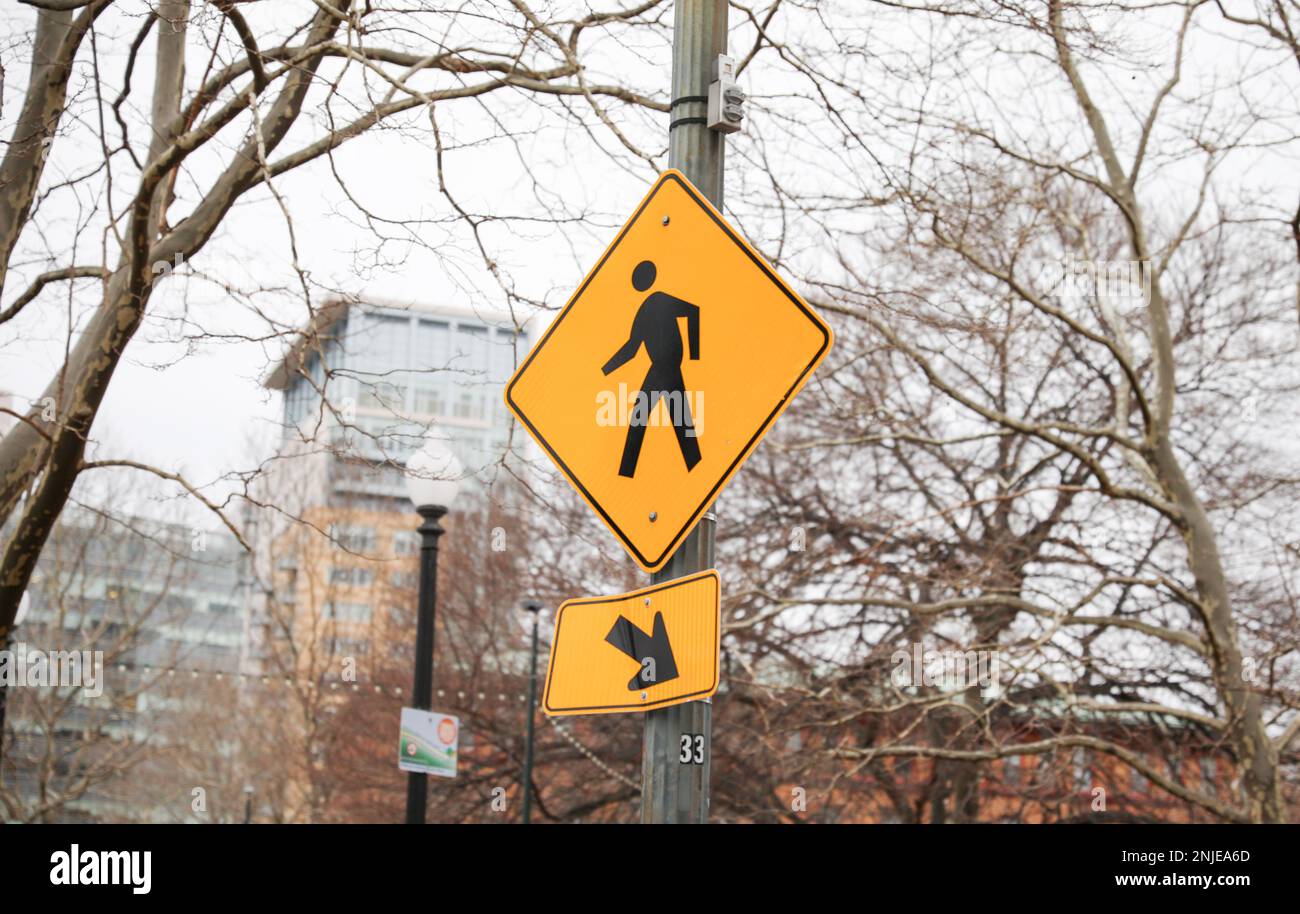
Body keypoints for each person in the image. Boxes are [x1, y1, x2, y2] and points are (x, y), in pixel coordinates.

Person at [601, 260, 702, 478]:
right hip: (660, 367)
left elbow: (693, 311)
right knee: (674, 420)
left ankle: (626, 472)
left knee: (650, 416)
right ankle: (694, 467)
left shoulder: (659, 300)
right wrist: (604, 371)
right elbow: (631, 349)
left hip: (668, 366)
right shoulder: (644, 311)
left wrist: (695, 355)